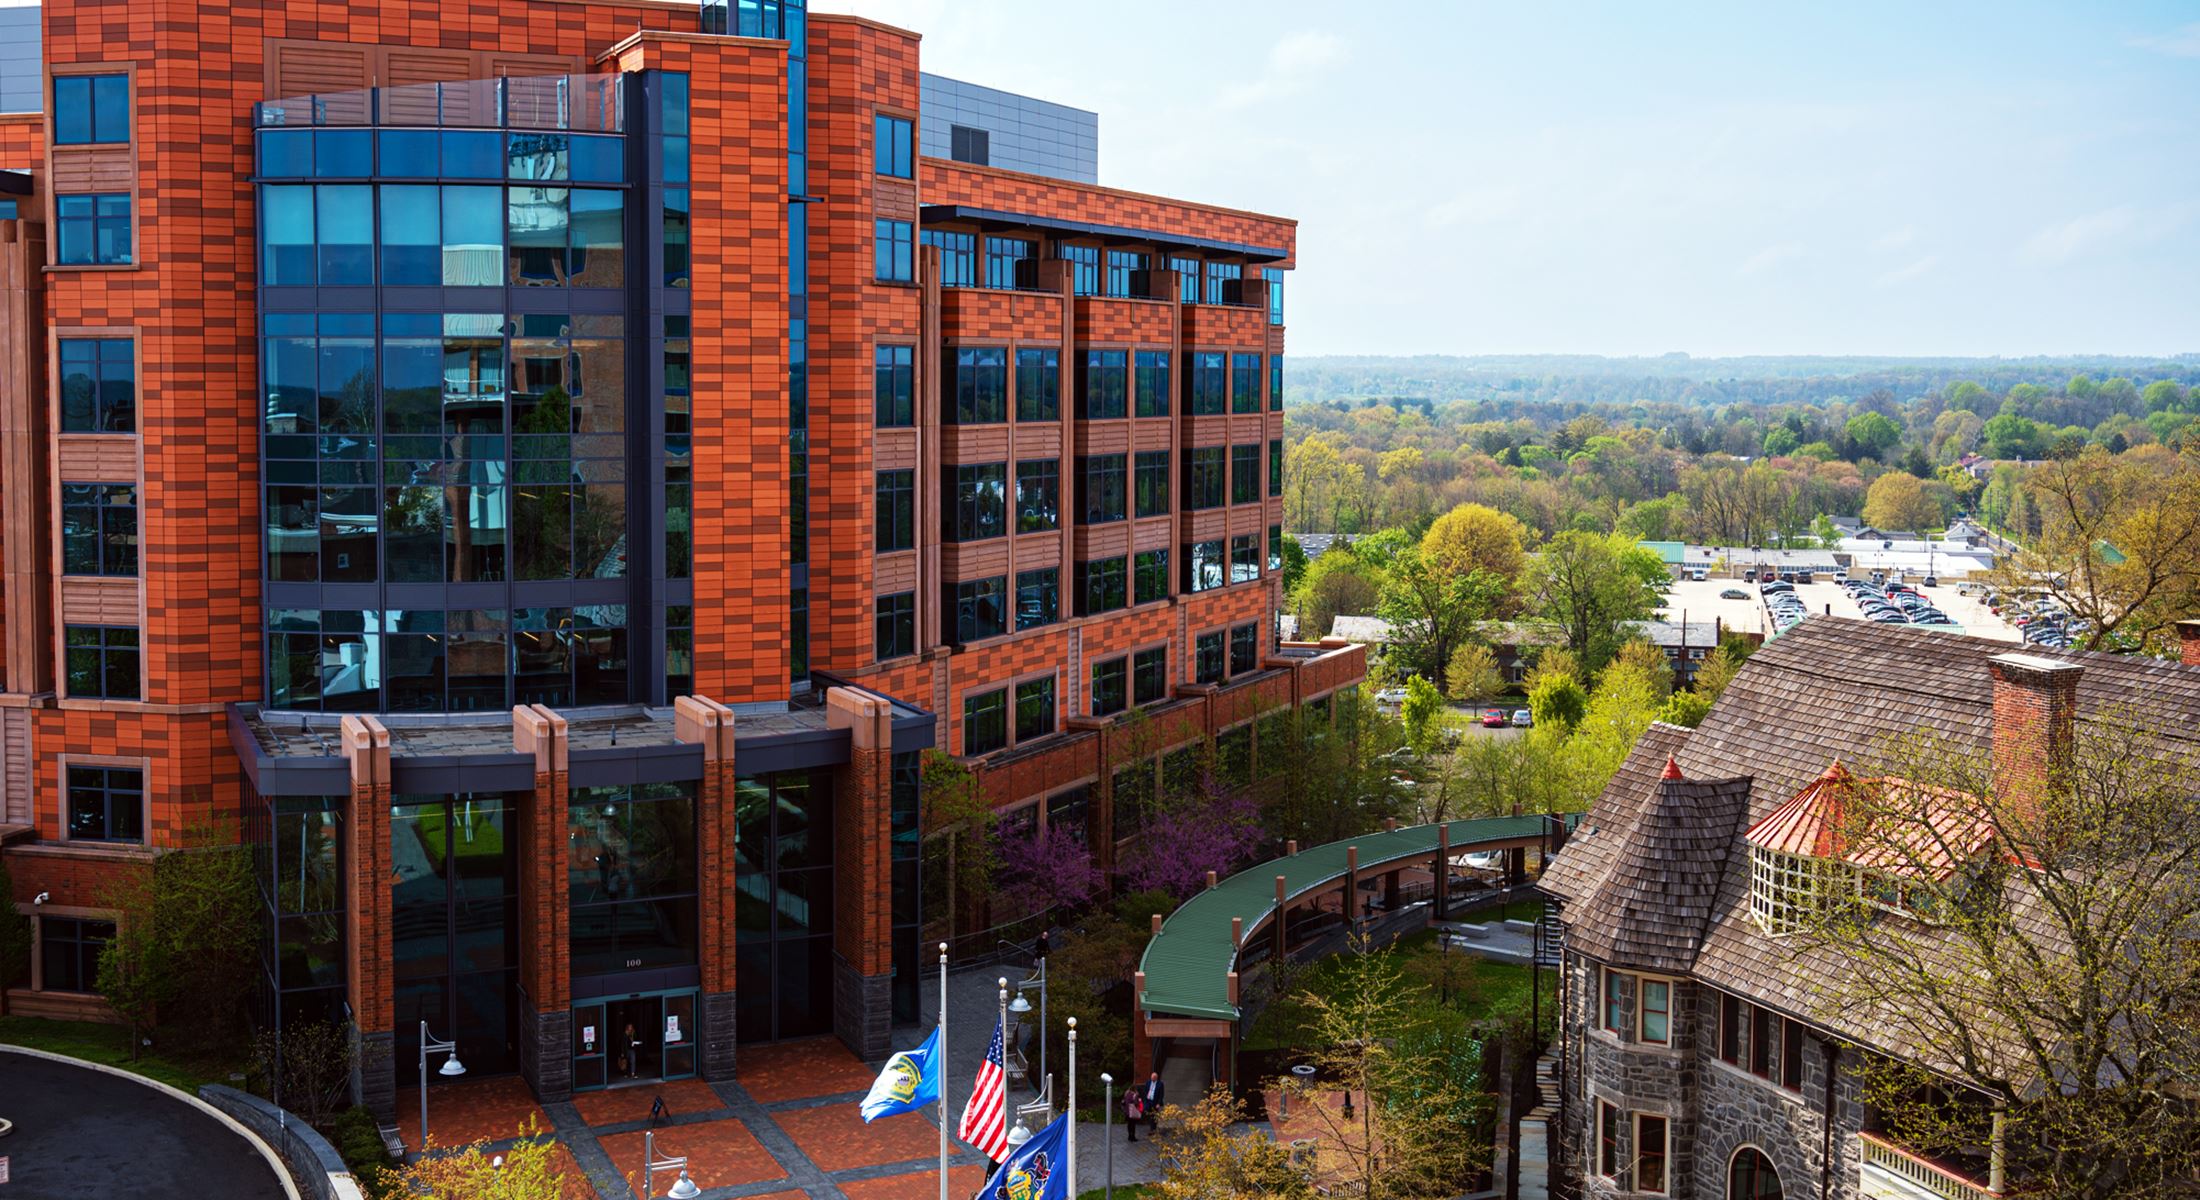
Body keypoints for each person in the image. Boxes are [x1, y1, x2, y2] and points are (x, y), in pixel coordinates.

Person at [1126, 1071, 1164, 1142]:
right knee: (1148, 1114)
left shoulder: (1160, 1084)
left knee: (1154, 1115)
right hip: (1148, 1101)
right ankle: (1150, 1127)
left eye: (1153, 1078)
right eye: (1151, 1078)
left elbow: (1161, 1094)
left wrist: (1159, 1103)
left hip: (1155, 1102)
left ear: (1156, 1078)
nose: (1152, 1079)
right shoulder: (1148, 1082)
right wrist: (1144, 1100)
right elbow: (1145, 1091)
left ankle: (1153, 1129)